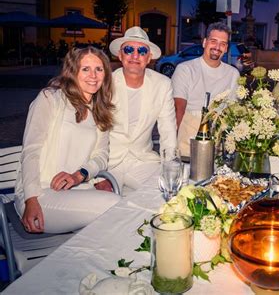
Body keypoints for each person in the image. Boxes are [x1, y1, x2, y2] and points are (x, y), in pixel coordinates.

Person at [15, 46, 121, 234]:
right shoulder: (51, 99)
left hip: (78, 190)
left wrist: (79, 175)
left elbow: (101, 156)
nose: (93, 75)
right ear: (73, 72)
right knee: (115, 206)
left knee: (120, 210)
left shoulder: (100, 110)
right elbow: (31, 150)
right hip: (41, 194)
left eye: (99, 69)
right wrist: (30, 200)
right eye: (85, 69)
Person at [102, 26, 177, 193]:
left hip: (143, 161)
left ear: (149, 57)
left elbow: (168, 130)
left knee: (167, 193)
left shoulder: (162, 84)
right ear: (120, 55)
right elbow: (93, 131)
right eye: (129, 49)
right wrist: (96, 173)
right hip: (108, 164)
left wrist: (170, 167)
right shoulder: (104, 83)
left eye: (142, 51)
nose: (135, 55)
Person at [172, 22, 239, 157]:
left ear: (226, 48)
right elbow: (179, 108)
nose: (217, 47)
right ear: (204, 42)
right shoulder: (186, 69)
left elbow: (232, 110)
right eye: (213, 41)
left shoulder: (232, 73)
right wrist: (174, 142)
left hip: (218, 138)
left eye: (222, 43)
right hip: (189, 134)